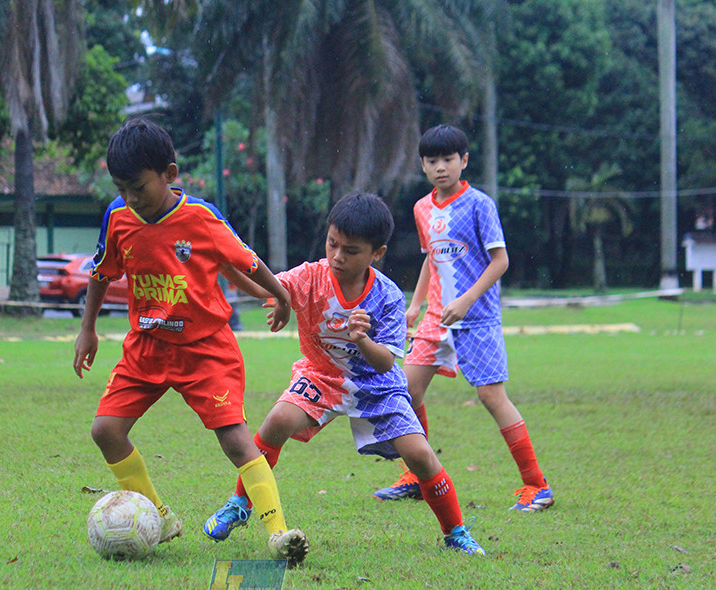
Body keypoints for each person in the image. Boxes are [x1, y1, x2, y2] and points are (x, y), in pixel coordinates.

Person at [73, 118, 308, 565]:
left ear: (170, 173)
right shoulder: (118, 217)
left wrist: (280, 295)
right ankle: (160, 518)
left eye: (138, 186)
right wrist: (88, 329)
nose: (131, 197)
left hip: (206, 350)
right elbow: (103, 272)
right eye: (121, 187)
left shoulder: (202, 218)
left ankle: (279, 534)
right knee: (105, 431)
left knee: (237, 441)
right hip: (146, 347)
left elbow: (246, 262)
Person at [203, 192, 485, 555]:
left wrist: (362, 339)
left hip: (377, 385)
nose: (337, 256)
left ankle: (455, 532)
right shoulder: (310, 276)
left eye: (350, 250)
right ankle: (241, 503)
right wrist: (225, 264)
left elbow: (386, 363)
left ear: (376, 253)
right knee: (275, 422)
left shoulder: (387, 296)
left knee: (419, 455)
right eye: (332, 244)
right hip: (322, 376)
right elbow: (264, 285)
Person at [374, 125, 554, 512]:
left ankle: (537, 485)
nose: (441, 167)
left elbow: (500, 261)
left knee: (491, 396)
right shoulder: (422, 208)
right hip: (436, 318)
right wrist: (415, 305)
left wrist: (469, 300)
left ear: (464, 161)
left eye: (449, 159)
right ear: (422, 165)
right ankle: (417, 475)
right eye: (433, 161)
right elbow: (431, 259)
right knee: (406, 391)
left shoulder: (479, 204)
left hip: (478, 318)